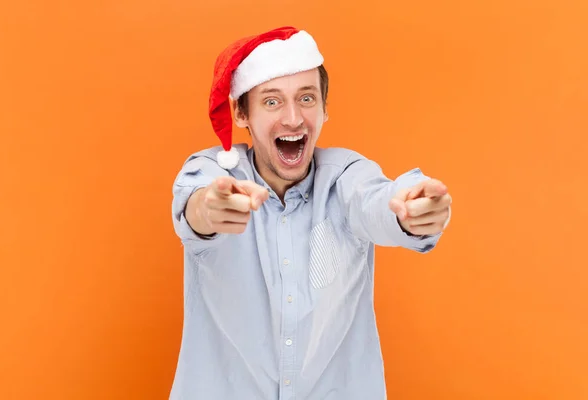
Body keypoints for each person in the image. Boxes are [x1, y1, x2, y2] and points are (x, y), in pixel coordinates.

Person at [170, 26, 452, 400]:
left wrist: (413, 215)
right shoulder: (215, 172)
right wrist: (209, 209)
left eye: (306, 98)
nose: (292, 119)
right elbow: (194, 206)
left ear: (324, 109)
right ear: (242, 113)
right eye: (271, 102)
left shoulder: (347, 177)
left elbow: (377, 200)